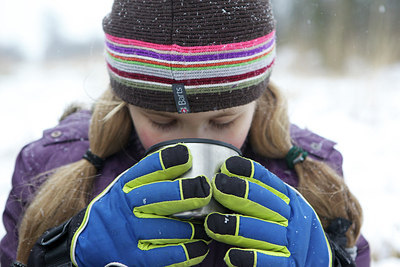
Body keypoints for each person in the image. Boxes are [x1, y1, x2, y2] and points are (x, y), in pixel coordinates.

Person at [0, 0, 370, 266]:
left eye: (223, 122)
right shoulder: (49, 166)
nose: (190, 143)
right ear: (126, 101)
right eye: (162, 122)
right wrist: (62, 256)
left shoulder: (311, 175)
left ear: (256, 100)